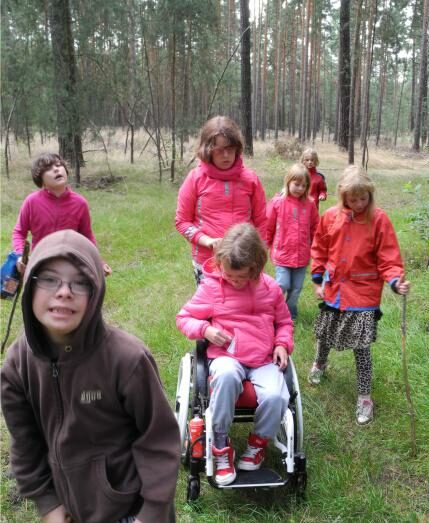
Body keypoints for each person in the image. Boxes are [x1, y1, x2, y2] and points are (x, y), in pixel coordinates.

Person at [1, 230, 180, 523]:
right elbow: (24, 441)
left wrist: (152, 513)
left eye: (81, 282)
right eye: (49, 279)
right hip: (68, 510)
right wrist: (48, 504)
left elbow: (159, 440)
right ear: (30, 284)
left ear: (96, 293)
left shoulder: (128, 360)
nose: (64, 291)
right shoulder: (17, 365)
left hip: (132, 511)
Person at [176, 223, 293, 486]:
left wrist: (282, 343)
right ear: (220, 264)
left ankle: (258, 443)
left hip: (263, 358)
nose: (234, 281)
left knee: (276, 394)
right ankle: (219, 446)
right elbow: (183, 318)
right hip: (227, 357)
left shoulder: (271, 288)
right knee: (227, 376)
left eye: (241, 278)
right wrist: (205, 329)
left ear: (256, 268)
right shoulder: (212, 287)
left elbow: (284, 322)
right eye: (229, 276)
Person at [308, 166, 410, 425]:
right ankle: (319, 364)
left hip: (364, 293)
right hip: (335, 289)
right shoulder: (330, 217)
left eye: (363, 198)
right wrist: (318, 278)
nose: (358, 204)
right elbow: (319, 247)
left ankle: (365, 396)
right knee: (325, 334)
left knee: (362, 346)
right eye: (352, 200)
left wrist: (395, 280)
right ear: (343, 197)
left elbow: (388, 257)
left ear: (370, 195)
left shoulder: (379, 220)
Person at [175, 116, 267, 284]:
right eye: (219, 150)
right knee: (210, 308)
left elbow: (262, 223)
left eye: (230, 149)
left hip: (244, 263)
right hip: (207, 261)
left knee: (244, 308)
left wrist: (258, 256)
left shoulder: (251, 179)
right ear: (207, 149)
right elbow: (182, 222)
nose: (226, 155)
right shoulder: (195, 178)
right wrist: (207, 241)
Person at [12, 152, 112, 275]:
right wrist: (20, 256)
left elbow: (87, 236)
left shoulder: (80, 203)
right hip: (40, 264)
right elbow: (19, 232)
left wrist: (98, 262)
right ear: (41, 180)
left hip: (72, 265)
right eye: (48, 168)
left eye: (59, 165)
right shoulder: (31, 202)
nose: (56, 169)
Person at [267, 163, 319, 320]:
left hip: (302, 255)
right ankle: (272, 308)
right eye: (296, 184)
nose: (300, 188)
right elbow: (268, 225)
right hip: (282, 253)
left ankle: (290, 311)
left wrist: (317, 248)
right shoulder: (277, 202)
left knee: (296, 288)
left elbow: (316, 227)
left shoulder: (310, 204)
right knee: (282, 284)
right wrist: (264, 244)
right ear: (288, 182)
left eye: (304, 185)